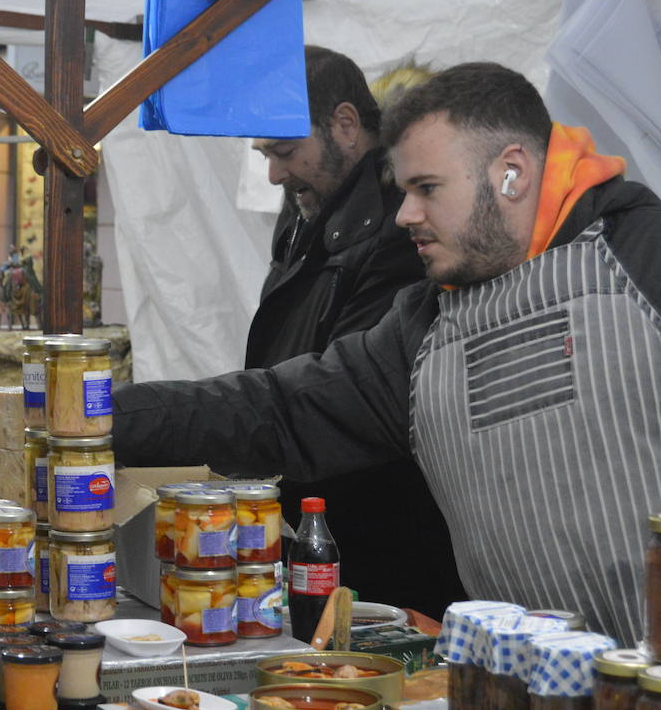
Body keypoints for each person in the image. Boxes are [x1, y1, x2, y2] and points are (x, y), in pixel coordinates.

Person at [115, 62, 661, 647]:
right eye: (403, 192)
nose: (405, 216)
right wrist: (97, 412)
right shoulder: (423, 326)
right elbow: (280, 409)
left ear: (512, 173)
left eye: (427, 188)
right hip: (521, 691)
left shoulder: (640, 258)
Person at [246, 46, 461, 616]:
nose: (274, 173)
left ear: (345, 123)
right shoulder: (311, 211)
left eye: (285, 152)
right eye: (265, 154)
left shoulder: (400, 232)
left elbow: (340, 395)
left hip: (384, 547)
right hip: (321, 526)